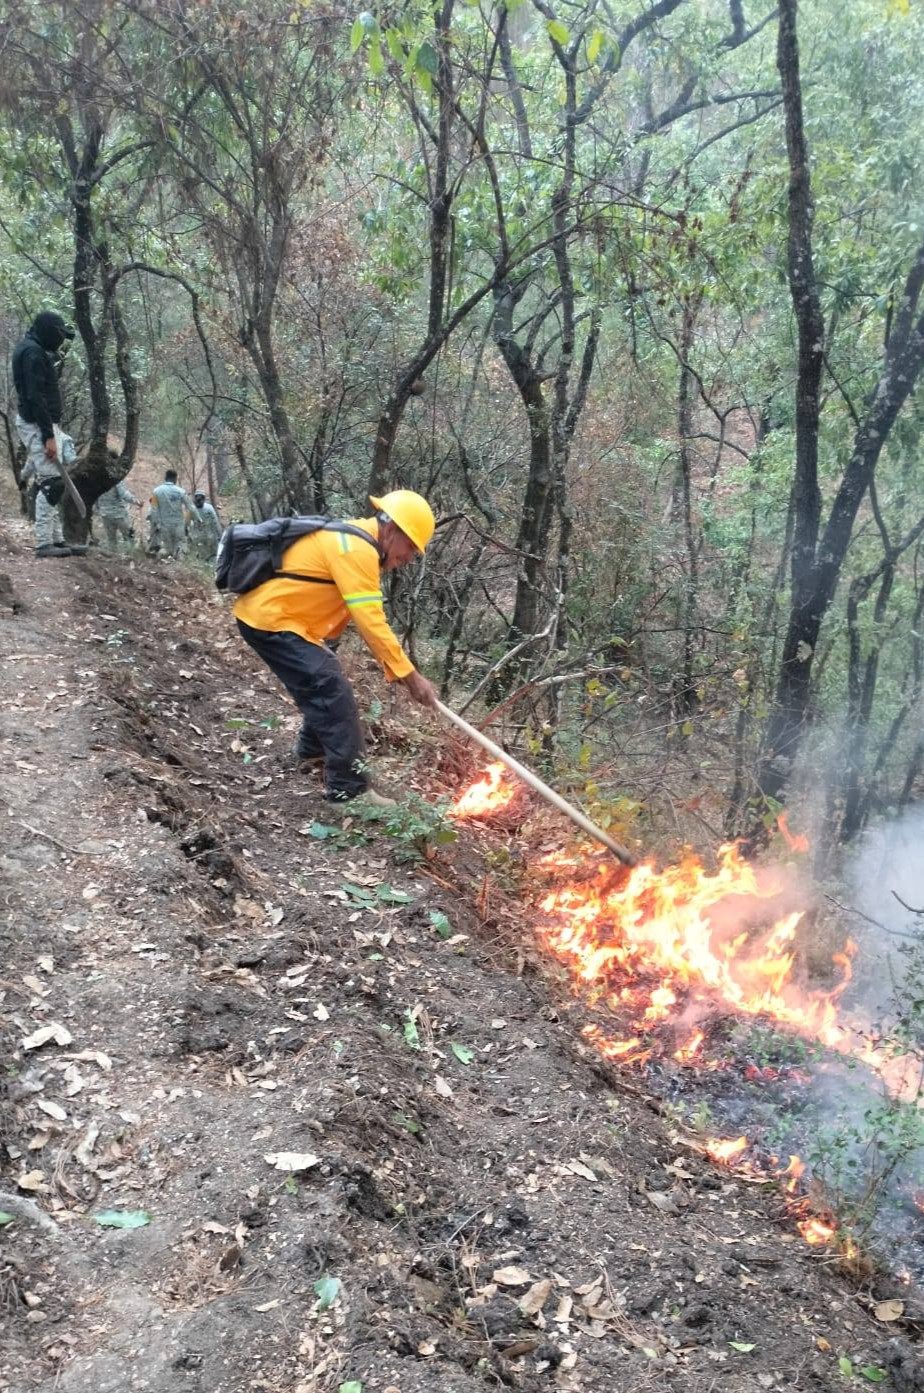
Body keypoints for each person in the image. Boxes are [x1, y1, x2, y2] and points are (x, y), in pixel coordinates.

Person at [233, 490, 439, 806]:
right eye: (409, 546)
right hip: (272, 621)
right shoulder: (356, 549)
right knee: (331, 690)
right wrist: (411, 676)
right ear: (390, 529)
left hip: (282, 620)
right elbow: (371, 621)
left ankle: (311, 751)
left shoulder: (356, 540)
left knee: (325, 683)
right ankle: (349, 792)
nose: (409, 557)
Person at [11, 310, 82, 558]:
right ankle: (44, 543)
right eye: (59, 335)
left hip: (42, 423)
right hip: (37, 423)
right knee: (51, 484)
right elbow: (35, 396)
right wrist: (47, 435)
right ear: (49, 331)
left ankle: (57, 540)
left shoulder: (33, 349)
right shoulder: (32, 353)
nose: (61, 340)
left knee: (54, 480)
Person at [148, 469, 193, 560]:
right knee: (179, 547)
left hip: (164, 524)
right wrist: (188, 523)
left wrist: (156, 524)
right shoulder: (181, 491)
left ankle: (162, 561)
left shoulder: (156, 492)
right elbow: (190, 508)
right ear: (175, 479)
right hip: (178, 524)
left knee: (167, 548)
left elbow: (154, 510)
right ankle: (179, 564)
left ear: (165, 478)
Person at [95, 479, 140, 552]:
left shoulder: (98, 482)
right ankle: (130, 554)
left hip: (105, 514)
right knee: (129, 537)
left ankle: (113, 556)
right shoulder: (116, 481)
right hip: (119, 515)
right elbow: (125, 495)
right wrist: (137, 502)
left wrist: (98, 509)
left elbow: (95, 498)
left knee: (111, 539)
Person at [190, 490, 222, 561]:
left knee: (206, 555)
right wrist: (220, 535)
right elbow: (216, 522)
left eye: (200, 498)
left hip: (205, 536)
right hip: (203, 537)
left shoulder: (207, 508)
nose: (198, 500)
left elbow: (215, 522)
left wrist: (220, 535)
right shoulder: (207, 508)